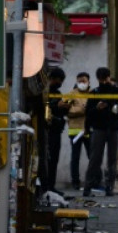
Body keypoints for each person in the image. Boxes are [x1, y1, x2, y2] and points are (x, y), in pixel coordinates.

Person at [83, 67, 118, 197]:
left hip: (114, 128)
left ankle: (109, 187)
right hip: (99, 128)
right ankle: (88, 186)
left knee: (112, 159)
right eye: (101, 79)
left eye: (105, 78)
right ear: (98, 79)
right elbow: (88, 113)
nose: (104, 81)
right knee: (95, 158)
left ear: (109, 77)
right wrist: (97, 108)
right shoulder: (94, 92)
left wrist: (117, 108)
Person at [43, 66, 67, 195]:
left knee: (54, 160)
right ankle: (45, 186)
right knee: (48, 159)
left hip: (57, 130)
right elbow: (43, 108)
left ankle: (51, 186)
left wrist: (65, 107)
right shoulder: (45, 92)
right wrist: (55, 106)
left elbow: (61, 111)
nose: (60, 83)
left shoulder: (58, 94)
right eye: (59, 79)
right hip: (47, 131)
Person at [65, 71, 91, 189]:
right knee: (75, 157)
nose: (82, 83)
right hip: (75, 131)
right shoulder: (71, 94)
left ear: (88, 82)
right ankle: (75, 181)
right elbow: (67, 110)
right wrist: (82, 110)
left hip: (89, 130)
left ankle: (92, 180)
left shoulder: (93, 94)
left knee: (93, 156)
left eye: (84, 81)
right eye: (79, 81)